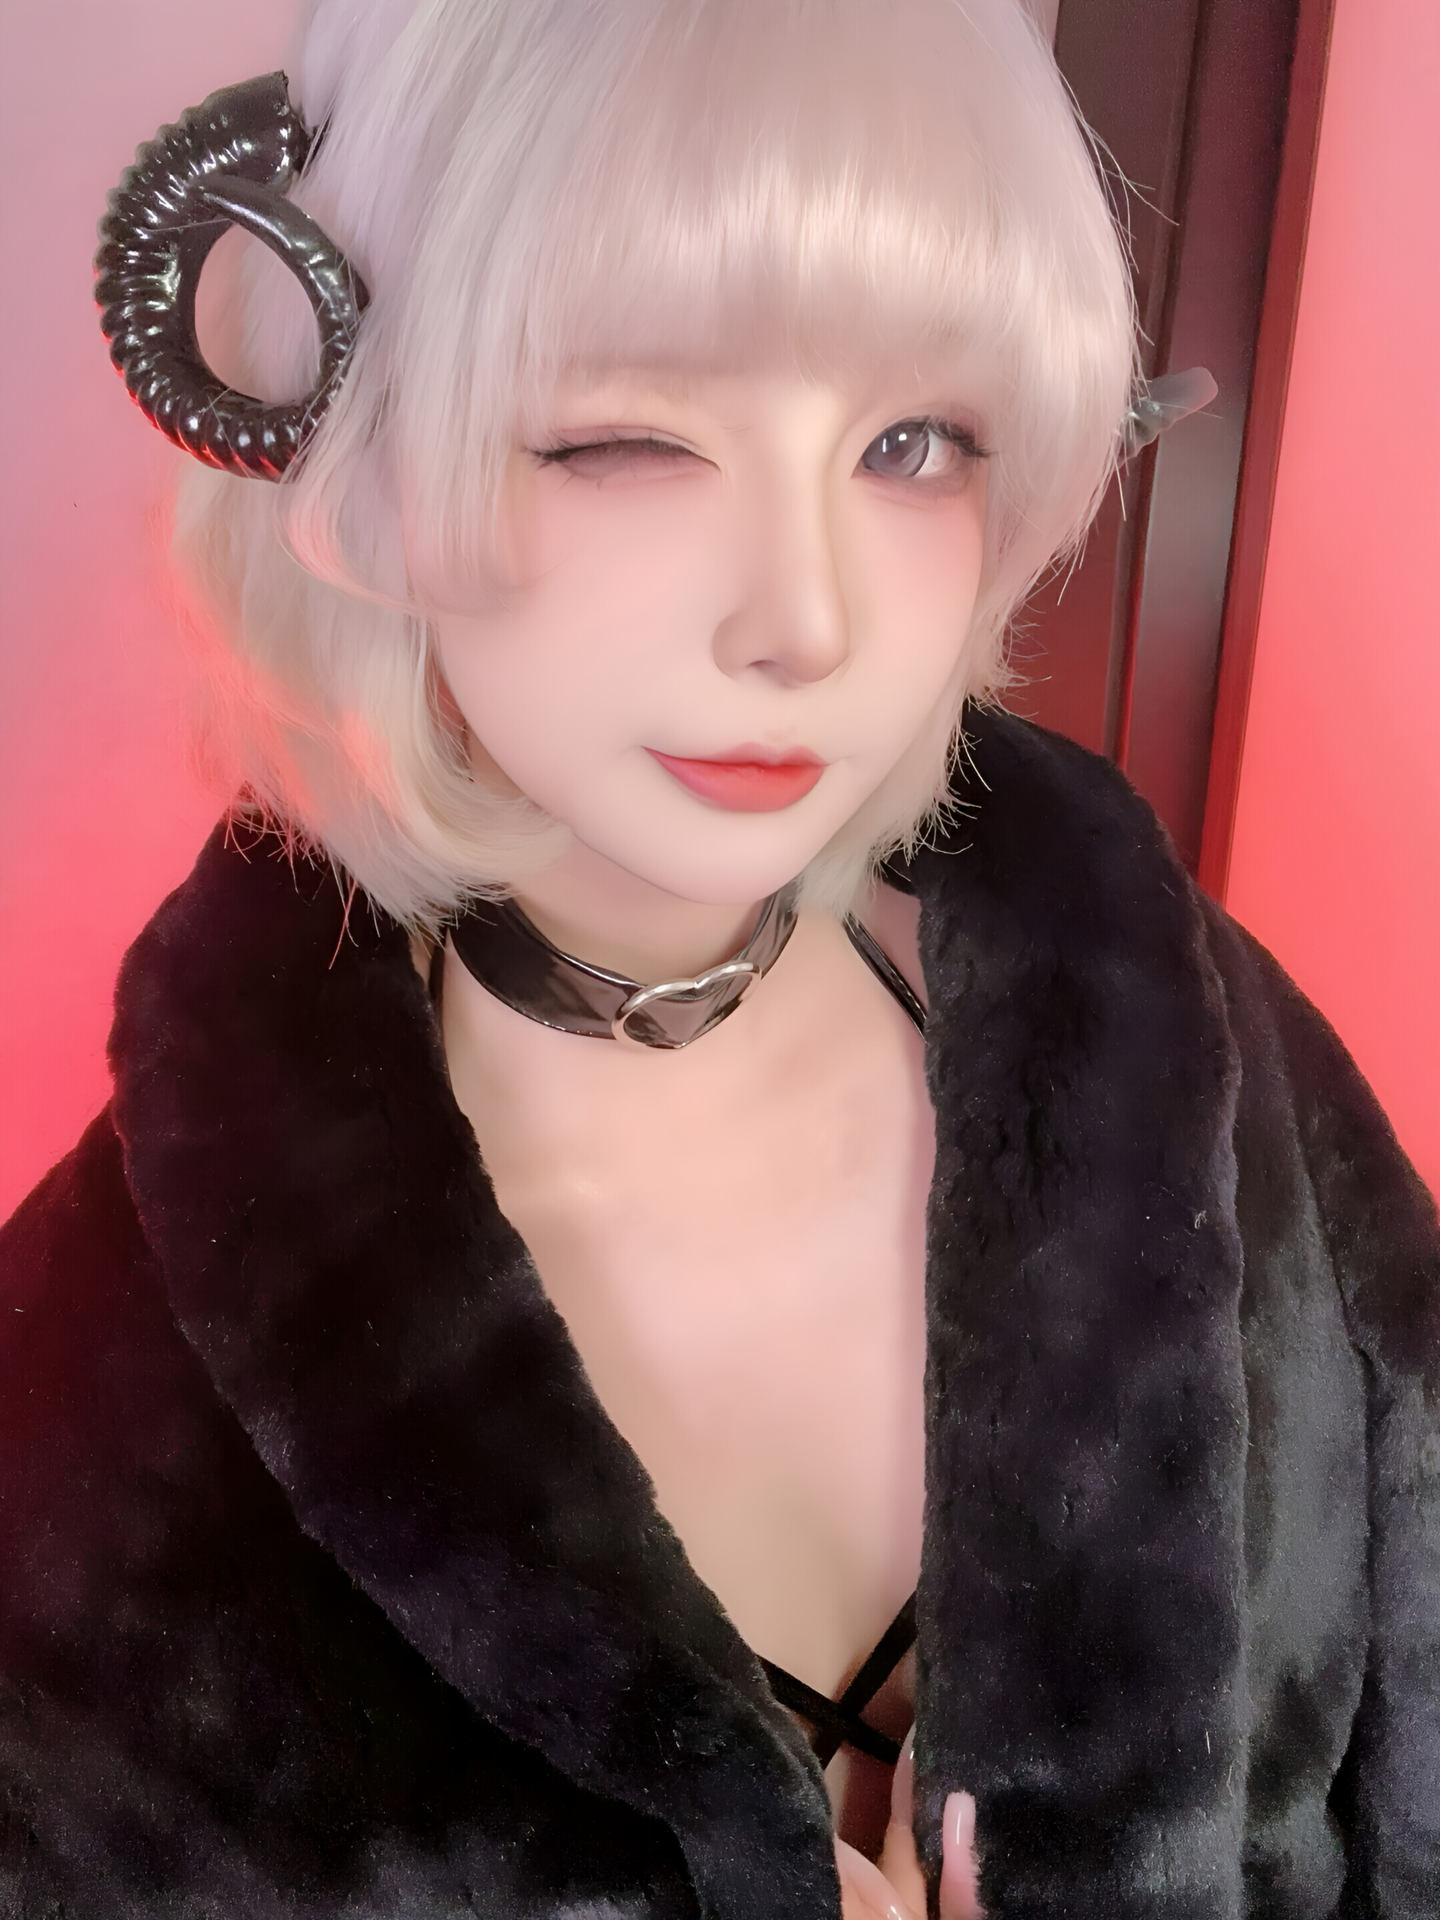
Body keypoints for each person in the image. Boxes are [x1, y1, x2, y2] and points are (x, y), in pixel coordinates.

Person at [1, 1, 1436, 1915]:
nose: (806, 617)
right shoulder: (90, 1409)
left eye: (912, 444)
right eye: (624, 436)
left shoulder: (1207, 1052)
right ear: (354, 438)